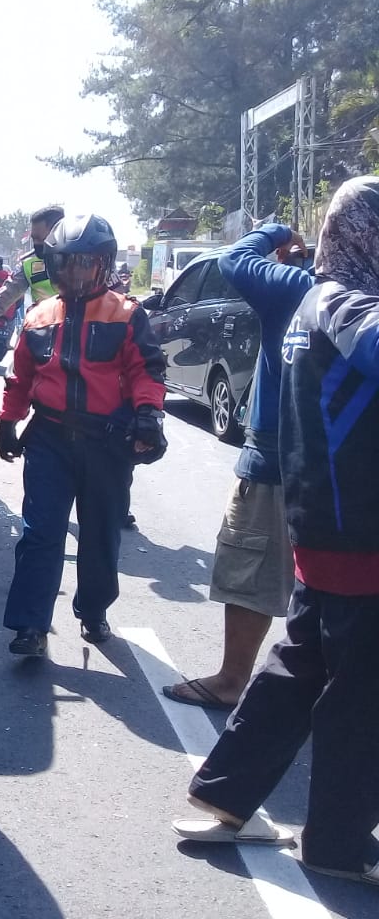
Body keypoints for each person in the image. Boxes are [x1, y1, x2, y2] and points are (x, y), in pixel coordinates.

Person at [171, 177, 379, 886]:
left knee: (295, 668)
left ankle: (220, 796)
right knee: (360, 696)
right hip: (360, 534)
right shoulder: (351, 304)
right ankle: (338, 844)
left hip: (324, 528)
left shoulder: (310, 300)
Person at [0, 214, 167, 657]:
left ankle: (93, 611)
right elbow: (20, 377)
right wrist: (7, 422)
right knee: (40, 533)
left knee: (100, 533)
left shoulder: (127, 315)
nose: (75, 272)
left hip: (107, 444)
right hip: (49, 439)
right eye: (66, 263)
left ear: (102, 264)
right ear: (53, 265)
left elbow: (147, 371)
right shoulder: (38, 316)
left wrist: (148, 415)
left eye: (84, 263)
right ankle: (30, 625)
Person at [162, 223, 313, 710]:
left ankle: (232, 680)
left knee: (251, 569)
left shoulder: (300, 287)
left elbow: (234, 259)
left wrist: (278, 232)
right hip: (351, 469)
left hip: (275, 457)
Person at [0, 205, 66, 357]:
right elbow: (0, 301)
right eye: (33, 239)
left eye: (39, 239)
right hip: (44, 343)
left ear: (59, 233)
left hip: (85, 341)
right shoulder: (28, 264)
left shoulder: (87, 261)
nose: (36, 245)